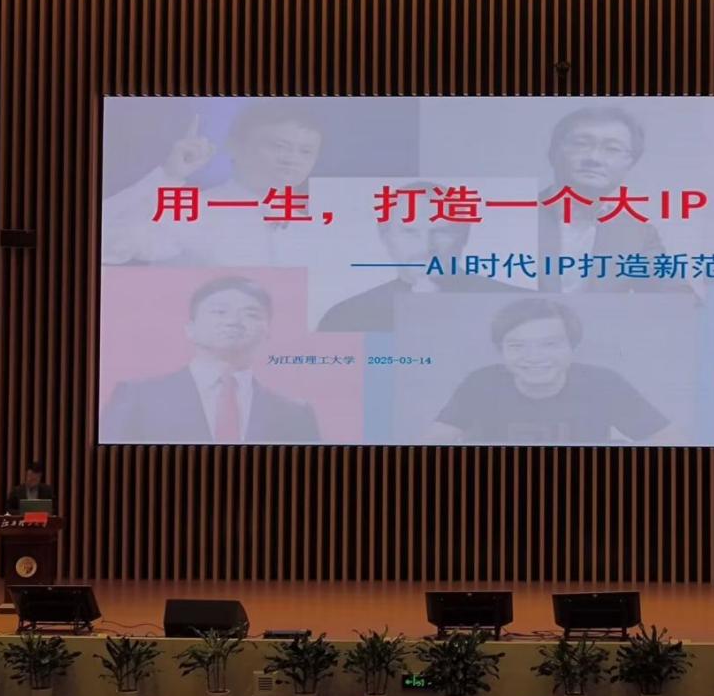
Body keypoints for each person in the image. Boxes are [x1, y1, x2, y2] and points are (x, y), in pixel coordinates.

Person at [102, 99, 325, 266]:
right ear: (234, 145)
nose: (292, 159)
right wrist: (169, 176)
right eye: (279, 147)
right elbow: (105, 245)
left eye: (306, 151)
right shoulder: (191, 211)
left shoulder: (315, 227)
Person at [101, 276, 319, 444]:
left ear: (268, 331)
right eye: (219, 312)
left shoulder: (295, 413)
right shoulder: (138, 397)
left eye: (251, 314)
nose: (233, 322)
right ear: (190, 329)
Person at [427, 298, 673, 444]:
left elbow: (670, 440)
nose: (534, 357)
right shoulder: (481, 383)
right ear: (500, 351)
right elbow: (434, 440)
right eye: (517, 346)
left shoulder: (603, 384)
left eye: (550, 345)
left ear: (572, 348)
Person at [317, 183, 523, 333]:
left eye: (441, 232)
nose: (426, 247)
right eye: (410, 232)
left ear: (464, 235)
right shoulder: (345, 319)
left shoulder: (519, 304)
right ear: (385, 236)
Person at [537, 106, 689, 293]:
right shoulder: (510, 219)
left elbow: (678, 298)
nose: (594, 158)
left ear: (630, 163)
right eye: (581, 144)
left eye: (612, 149)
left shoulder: (637, 234)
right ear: (553, 152)